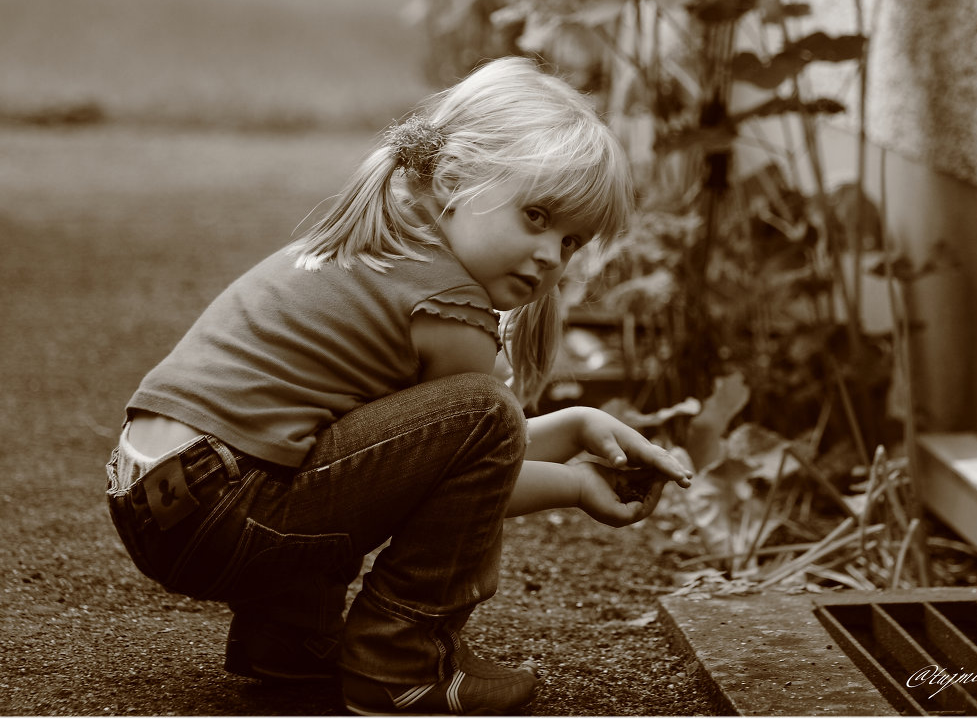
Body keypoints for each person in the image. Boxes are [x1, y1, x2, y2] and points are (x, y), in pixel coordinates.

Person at [106, 57, 693, 716]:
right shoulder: (445, 304)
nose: (553, 255)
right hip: (224, 502)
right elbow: (475, 467)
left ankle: (291, 641)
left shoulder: (385, 242)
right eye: (536, 216)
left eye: (573, 241)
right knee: (488, 412)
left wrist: (578, 425)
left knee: (340, 432)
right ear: (454, 179)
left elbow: (412, 452)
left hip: (152, 489)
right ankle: (401, 662)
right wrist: (577, 483)